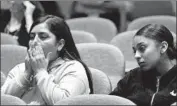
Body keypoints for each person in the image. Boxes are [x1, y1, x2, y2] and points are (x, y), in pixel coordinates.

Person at [1, 15, 93, 105]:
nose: (34, 42)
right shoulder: (20, 69)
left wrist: (41, 72)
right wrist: (26, 75)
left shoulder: (73, 68)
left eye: (43, 37)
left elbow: (64, 102)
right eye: (32, 37)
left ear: (60, 44)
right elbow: (3, 100)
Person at [110, 24, 177, 106]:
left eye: (142, 48)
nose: (136, 56)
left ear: (163, 47)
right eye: (135, 51)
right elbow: (111, 102)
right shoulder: (132, 77)